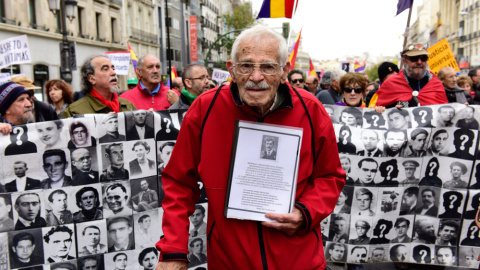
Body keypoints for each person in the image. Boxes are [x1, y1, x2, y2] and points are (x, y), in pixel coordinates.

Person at [156, 24, 345, 270]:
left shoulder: (311, 110)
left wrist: (305, 212)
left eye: (267, 67)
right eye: (246, 66)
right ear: (231, 70)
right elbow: (179, 182)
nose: (256, 78)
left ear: (284, 71)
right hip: (230, 261)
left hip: (298, 259)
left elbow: (330, 175)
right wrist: (173, 251)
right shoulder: (206, 109)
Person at [369, 43, 448, 108]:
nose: (419, 62)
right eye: (414, 58)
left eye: (423, 58)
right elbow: (378, 115)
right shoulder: (390, 83)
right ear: (404, 61)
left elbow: (445, 113)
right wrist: (391, 109)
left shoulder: (436, 84)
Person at [62, 55, 136, 118]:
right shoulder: (74, 112)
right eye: (106, 69)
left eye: (113, 69)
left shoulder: (128, 106)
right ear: (91, 79)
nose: (113, 73)